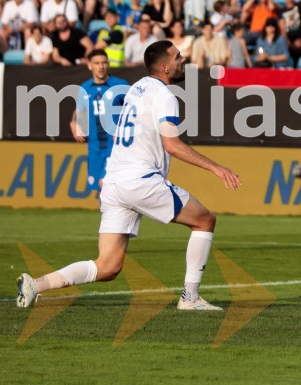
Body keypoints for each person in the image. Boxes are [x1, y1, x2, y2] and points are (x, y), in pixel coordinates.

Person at [16, 41, 242, 311]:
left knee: (108, 266)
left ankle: (36, 285)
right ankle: (190, 298)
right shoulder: (163, 94)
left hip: (115, 182)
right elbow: (172, 144)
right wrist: (217, 167)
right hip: (141, 180)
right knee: (205, 220)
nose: (184, 60)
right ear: (164, 66)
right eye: (178, 56)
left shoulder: (136, 88)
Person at [70, 50, 129, 192]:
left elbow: (134, 110)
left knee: (105, 184)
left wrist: (123, 128)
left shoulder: (120, 85)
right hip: (94, 146)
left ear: (108, 64)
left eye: (104, 62)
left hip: (114, 146)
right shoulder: (85, 87)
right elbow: (79, 110)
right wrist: (73, 122)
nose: (101, 66)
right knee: (100, 189)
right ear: (90, 66)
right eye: (97, 63)